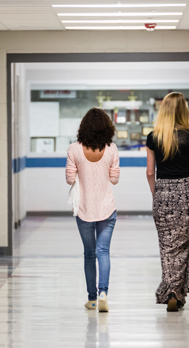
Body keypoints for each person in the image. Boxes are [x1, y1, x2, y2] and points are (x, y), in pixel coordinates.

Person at [145, 92, 189, 312]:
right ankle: (174, 292)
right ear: (184, 111)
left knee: (167, 246)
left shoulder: (153, 137)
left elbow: (150, 172)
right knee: (184, 244)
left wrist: (156, 193)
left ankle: (172, 291)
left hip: (163, 192)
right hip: (187, 192)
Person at [66, 108, 120, 313]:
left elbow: (70, 179)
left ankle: (92, 298)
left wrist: (81, 170)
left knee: (89, 254)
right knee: (103, 251)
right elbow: (114, 179)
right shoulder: (112, 149)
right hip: (107, 208)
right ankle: (103, 293)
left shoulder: (74, 149)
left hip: (84, 209)